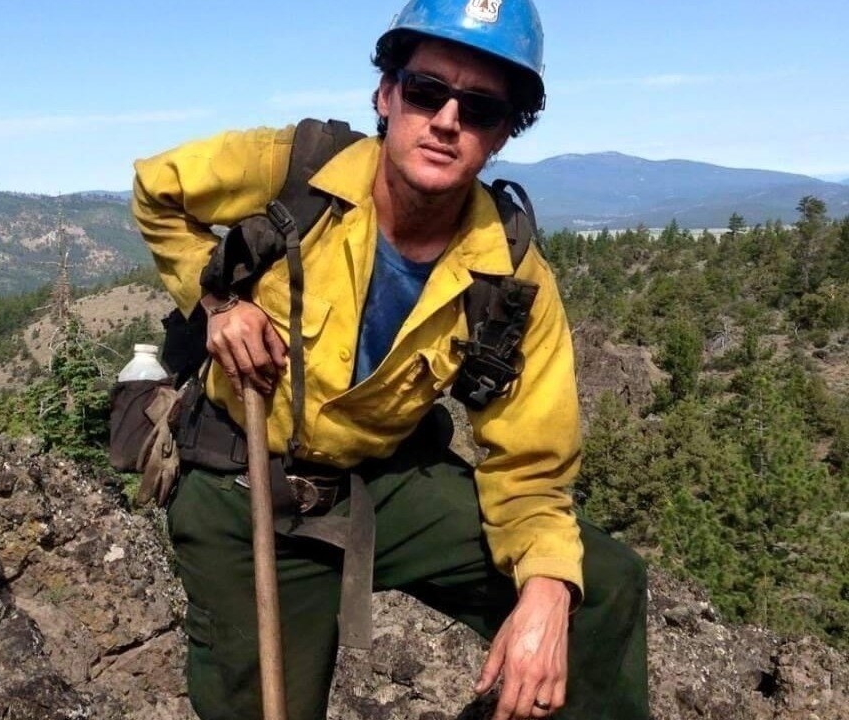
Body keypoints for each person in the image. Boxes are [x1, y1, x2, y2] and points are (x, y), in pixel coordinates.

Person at [131, 1, 649, 718]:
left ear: (503, 133)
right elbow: (157, 188)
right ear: (386, 93)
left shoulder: (510, 271)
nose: (446, 121)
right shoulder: (296, 169)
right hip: (240, 479)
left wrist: (548, 592)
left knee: (599, 587)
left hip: (379, 481)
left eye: (481, 108)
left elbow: (529, 464)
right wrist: (216, 302)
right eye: (427, 91)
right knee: (259, 704)